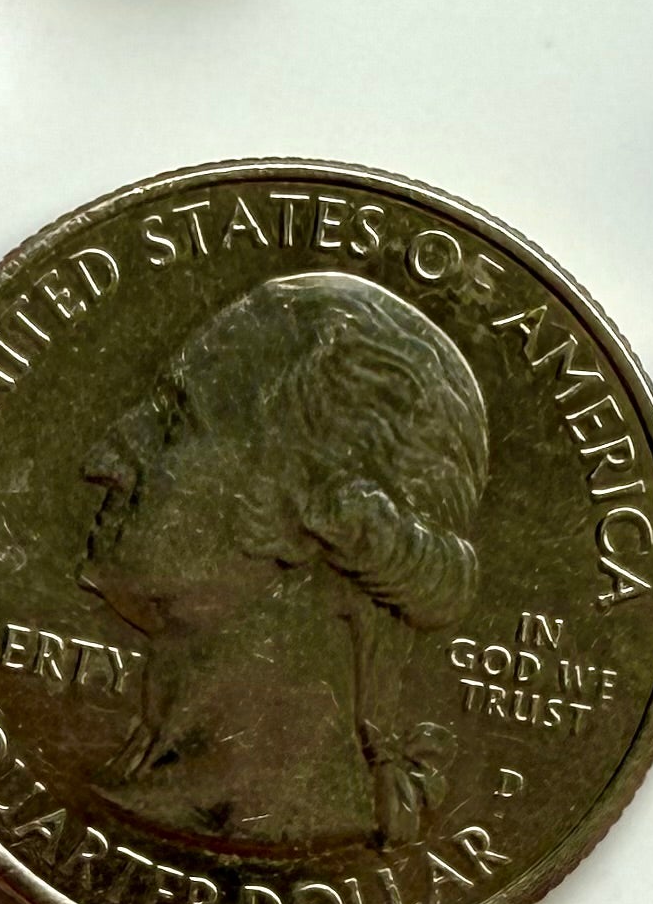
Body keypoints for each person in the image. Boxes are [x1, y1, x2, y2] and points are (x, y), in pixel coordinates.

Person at [79, 268, 490, 851]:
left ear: (303, 515)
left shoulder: (257, 817)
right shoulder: (142, 784)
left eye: (176, 420)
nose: (104, 460)